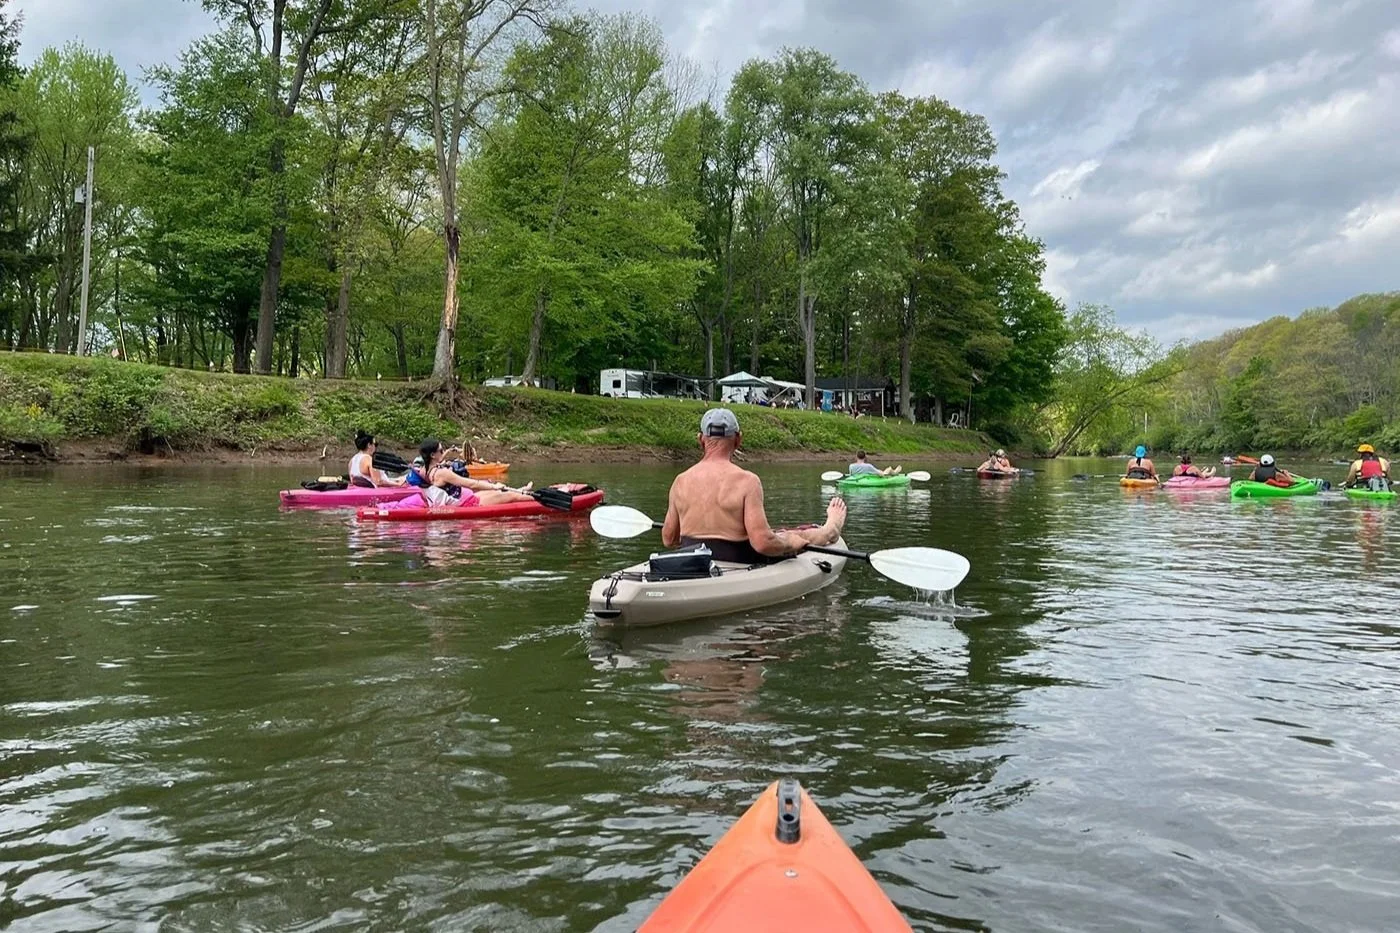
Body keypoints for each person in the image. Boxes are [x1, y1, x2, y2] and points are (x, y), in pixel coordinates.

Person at [661, 408, 847, 564]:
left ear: (701, 439)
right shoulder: (746, 481)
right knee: (792, 535)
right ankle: (831, 529)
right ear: (738, 439)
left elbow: (669, 539)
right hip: (741, 559)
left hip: (694, 561)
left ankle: (825, 530)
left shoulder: (680, 481)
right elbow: (762, 544)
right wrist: (790, 543)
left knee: (779, 533)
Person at [415, 438, 534, 507]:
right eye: (441, 450)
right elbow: (472, 484)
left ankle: (522, 490)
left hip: (461, 498)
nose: (443, 452)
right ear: (432, 455)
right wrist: (493, 485)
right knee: (509, 495)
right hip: (465, 504)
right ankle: (539, 500)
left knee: (497, 491)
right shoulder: (443, 473)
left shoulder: (423, 470)